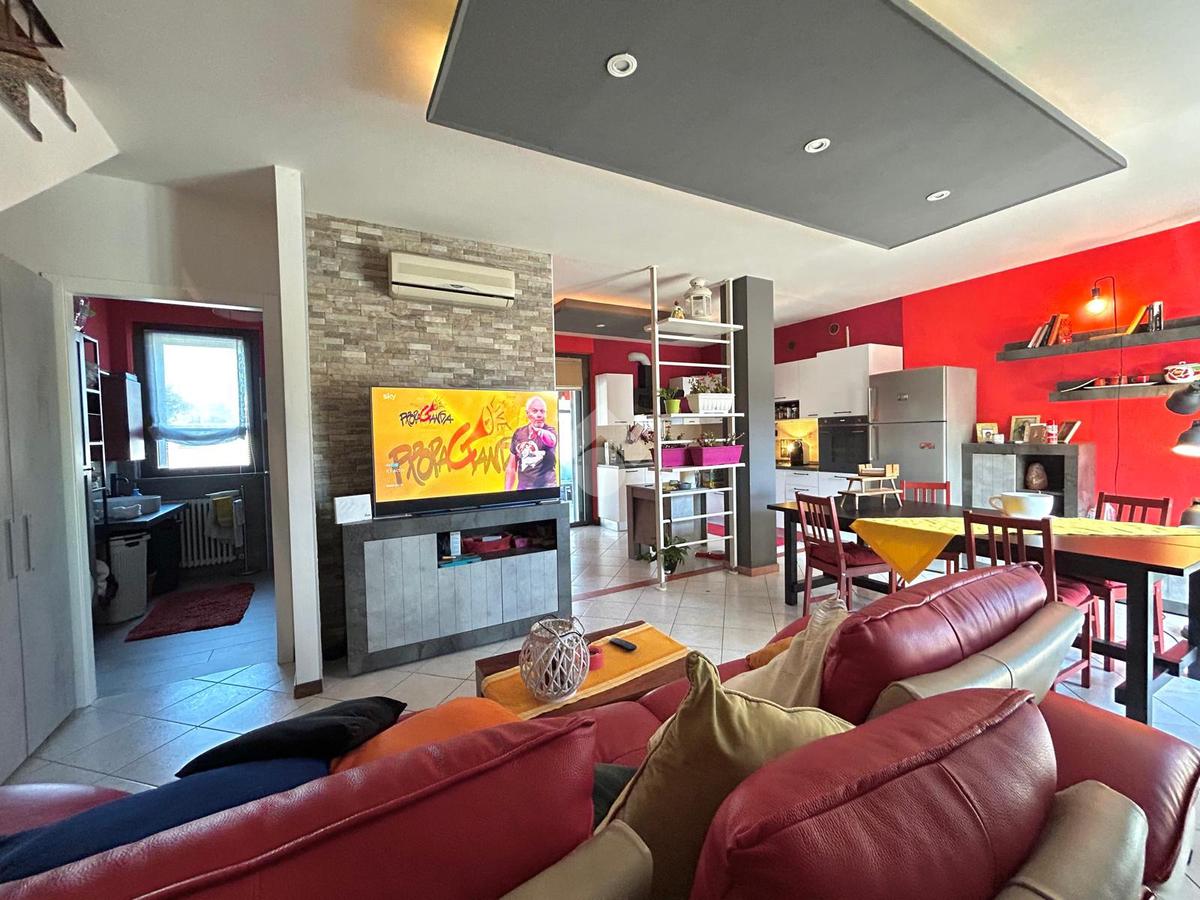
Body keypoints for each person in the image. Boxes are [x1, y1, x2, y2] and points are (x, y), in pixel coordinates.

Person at [505, 395, 557, 490]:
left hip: (548, 491)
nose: (539, 415)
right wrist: (507, 492)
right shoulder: (519, 433)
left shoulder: (551, 431)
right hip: (524, 491)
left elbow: (551, 441)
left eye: (542, 411)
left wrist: (540, 432)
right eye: (535, 411)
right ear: (527, 413)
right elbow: (511, 467)